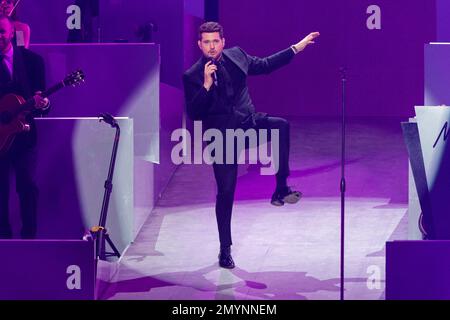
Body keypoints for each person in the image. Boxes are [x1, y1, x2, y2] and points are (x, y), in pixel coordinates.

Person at [183, 22, 320, 268]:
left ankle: (280, 188)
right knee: (225, 193)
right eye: (206, 42)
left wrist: (296, 48)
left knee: (281, 126)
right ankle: (225, 250)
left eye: (216, 41)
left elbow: (266, 65)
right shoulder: (192, 75)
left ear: (223, 41)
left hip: (248, 125)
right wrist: (205, 85)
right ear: (199, 45)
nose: (212, 46)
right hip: (221, 138)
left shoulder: (237, 56)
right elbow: (194, 114)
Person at [0, 15, 49, 239]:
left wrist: (44, 103)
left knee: (27, 188)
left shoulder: (32, 62)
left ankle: (29, 240)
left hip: (25, 137)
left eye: (1, 32)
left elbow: (42, 105)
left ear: (11, 33)